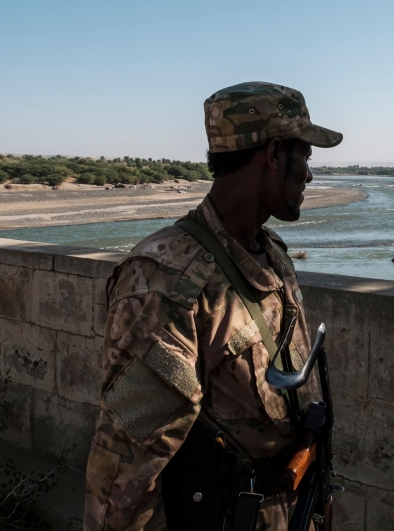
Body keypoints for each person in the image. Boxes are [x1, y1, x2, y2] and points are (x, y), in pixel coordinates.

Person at [83, 82, 342, 531]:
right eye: (306, 158)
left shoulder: (271, 253)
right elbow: (126, 473)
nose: (310, 176)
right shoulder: (165, 283)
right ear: (275, 154)